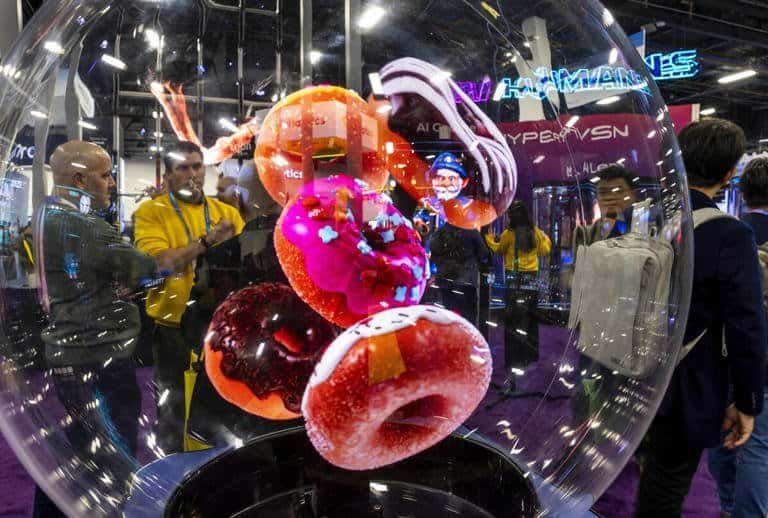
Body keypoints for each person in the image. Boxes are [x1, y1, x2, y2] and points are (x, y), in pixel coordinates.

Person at [636, 119, 766, 517]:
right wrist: (748, 401)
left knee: (656, 475)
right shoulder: (729, 233)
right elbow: (746, 325)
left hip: (639, 365)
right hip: (690, 381)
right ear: (730, 173)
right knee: (668, 483)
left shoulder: (651, 218)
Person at [31, 141, 163, 517]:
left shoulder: (49, 215)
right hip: (98, 359)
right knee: (112, 457)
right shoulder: (78, 223)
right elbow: (144, 267)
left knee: (75, 451)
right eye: (105, 175)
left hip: (76, 354)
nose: (111, 183)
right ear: (79, 179)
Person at [133, 141, 244, 455]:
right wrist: (206, 242)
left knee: (222, 416)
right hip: (174, 332)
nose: (192, 174)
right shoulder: (150, 212)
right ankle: (173, 481)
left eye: (197, 166)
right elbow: (160, 265)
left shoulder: (227, 214)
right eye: (182, 168)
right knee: (174, 416)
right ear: (168, 175)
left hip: (221, 330)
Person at [181, 161, 293, 447]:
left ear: (241, 198)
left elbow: (195, 329)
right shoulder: (310, 259)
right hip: (294, 396)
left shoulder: (219, 257)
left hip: (230, 394)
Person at [707, 157, 768, 518]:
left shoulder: (726, 233)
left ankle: (728, 506)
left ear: (741, 192)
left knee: (723, 438)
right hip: (762, 359)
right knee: (759, 446)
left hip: (722, 355)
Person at [485, 202, 551, 388]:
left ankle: (515, 358)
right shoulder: (535, 232)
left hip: (514, 282)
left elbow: (499, 249)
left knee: (513, 320)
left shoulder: (508, 235)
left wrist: (489, 239)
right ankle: (530, 356)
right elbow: (545, 250)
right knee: (530, 318)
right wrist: (545, 238)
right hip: (531, 280)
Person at [427, 221, 491, 326]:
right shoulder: (471, 231)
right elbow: (483, 254)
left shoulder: (440, 232)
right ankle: (468, 341)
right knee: (468, 318)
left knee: (448, 316)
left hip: (446, 280)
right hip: (467, 282)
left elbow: (433, 252)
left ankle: (451, 339)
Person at [573, 164, 637, 248]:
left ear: (632, 195)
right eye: (603, 192)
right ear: (597, 198)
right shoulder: (583, 235)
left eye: (619, 191)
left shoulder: (648, 230)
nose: (610, 197)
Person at [421, 152, 472, 220]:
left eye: (452, 178)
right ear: (431, 180)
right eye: (440, 178)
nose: (446, 184)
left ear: (463, 183)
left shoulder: (469, 206)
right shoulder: (425, 204)